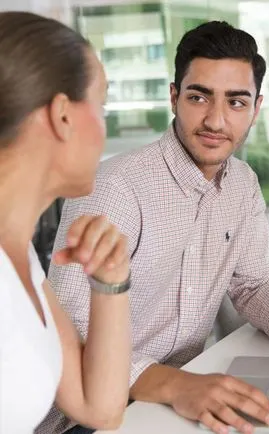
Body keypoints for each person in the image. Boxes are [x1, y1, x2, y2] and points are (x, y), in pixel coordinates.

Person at [39, 21, 269, 434]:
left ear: (256, 108)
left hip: (186, 397)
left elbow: (254, 285)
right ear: (174, 97)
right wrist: (172, 384)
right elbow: (66, 337)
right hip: (84, 418)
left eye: (236, 103)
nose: (216, 121)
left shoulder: (242, 184)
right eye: (199, 97)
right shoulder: (114, 189)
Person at [0, 12, 132, 433]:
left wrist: (110, 282)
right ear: (62, 116)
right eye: (101, 105)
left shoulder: (20, 255)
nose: (105, 129)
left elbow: (100, 409)